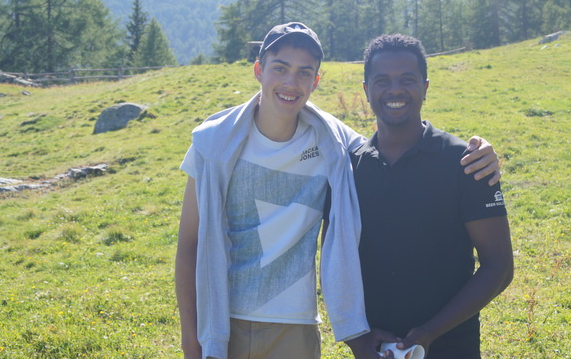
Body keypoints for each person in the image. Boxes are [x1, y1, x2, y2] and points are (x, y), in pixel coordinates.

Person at [175, 23, 501, 359]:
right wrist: (190, 339)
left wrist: (481, 152)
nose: (291, 83)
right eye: (280, 68)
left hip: (296, 328)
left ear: (315, 81)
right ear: (259, 70)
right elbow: (188, 247)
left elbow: (391, 144)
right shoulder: (214, 144)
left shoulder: (333, 144)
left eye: (304, 73)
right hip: (224, 323)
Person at [345, 34, 514, 359]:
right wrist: (357, 338)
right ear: (366, 90)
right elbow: (336, 265)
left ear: (425, 87)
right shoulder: (349, 170)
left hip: (452, 347)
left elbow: (499, 267)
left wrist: (430, 332)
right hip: (374, 350)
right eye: (382, 81)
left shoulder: (466, 163)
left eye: (407, 79)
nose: (395, 90)